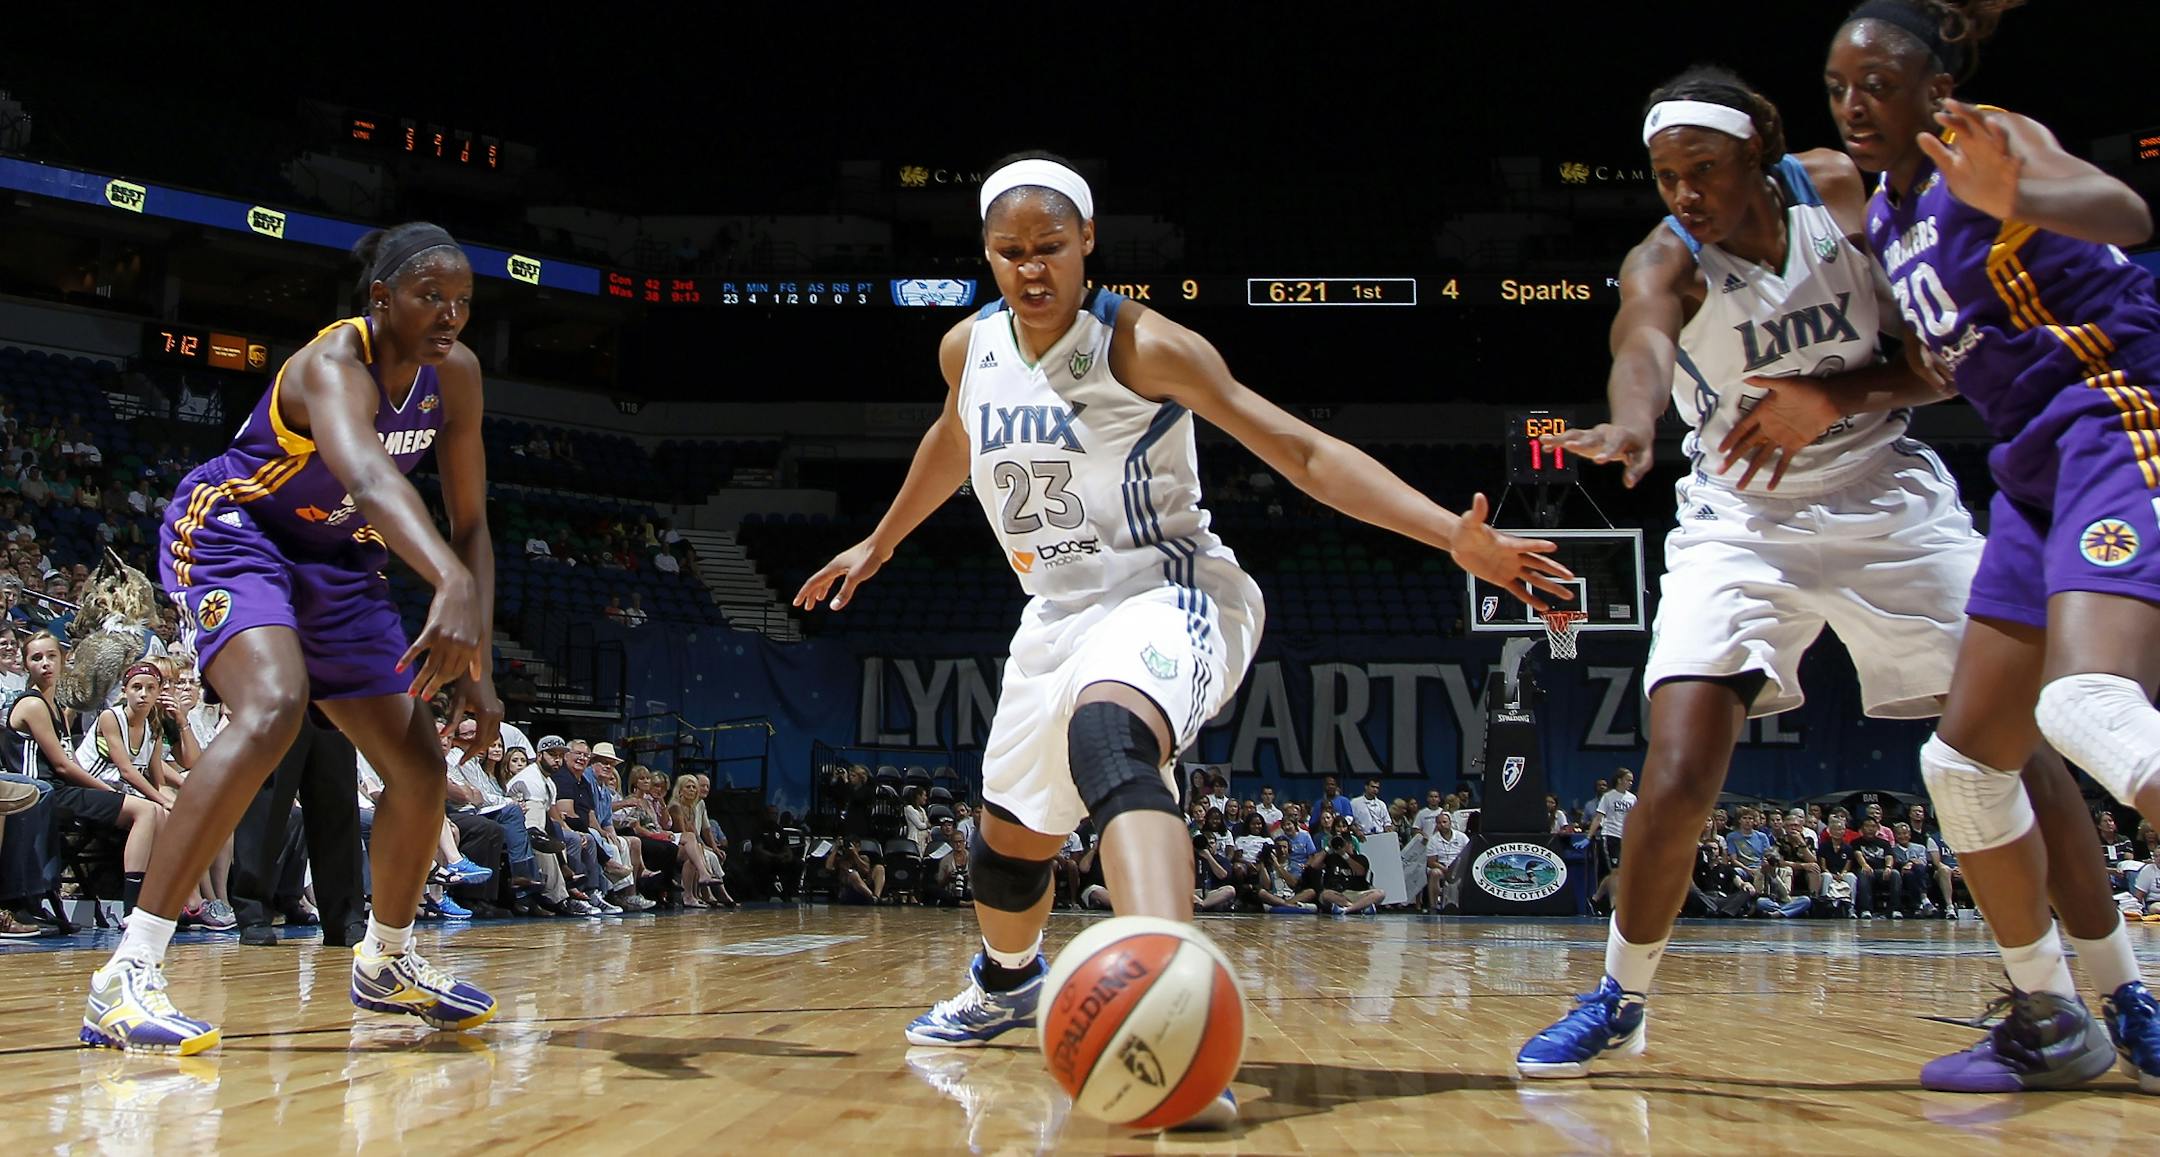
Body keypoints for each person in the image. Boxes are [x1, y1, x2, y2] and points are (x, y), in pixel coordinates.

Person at [791, 152, 1569, 1127]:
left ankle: (1172, 1004)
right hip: (1055, 613)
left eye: (1051, 248)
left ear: (1088, 245)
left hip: (1170, 588)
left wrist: (1450, 535)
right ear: (986, 254)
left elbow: (1303, 450)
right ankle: (1007, 983)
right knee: (1007, 851)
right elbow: (954, 436)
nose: (1033, 270)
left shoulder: (1146, 344)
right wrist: (881, 537)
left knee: (1112, 737)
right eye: (1010, 252)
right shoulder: (969, 347)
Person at [1515, 59, 2142, 1080]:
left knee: (2013, 747)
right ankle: (1620, 995)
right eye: (1667, 175)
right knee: (1675, 768)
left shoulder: (1845, 196)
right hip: (1738, 514)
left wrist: (1834, 396)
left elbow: (1941, 362)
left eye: (1705, 169)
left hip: (1884, 494)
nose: (1687, 194)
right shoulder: (1662, 262)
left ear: (1758, 150)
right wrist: (1631, 425)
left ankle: (2121, 989)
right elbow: (1640, 343)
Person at [1822, 0, 2160, 1092]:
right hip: (2027, 462)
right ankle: (2058, 1020)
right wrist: (1828, 399)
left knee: (2088, 706)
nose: (1855, 104)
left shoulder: (1990, 138)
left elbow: (2123, 210)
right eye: (1838, 87)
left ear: (1936, 90)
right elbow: (1940, 367)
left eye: (1878, 84)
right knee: (1964, 765)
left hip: (2113, 410)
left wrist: (2022, 194)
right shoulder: (1887, 210)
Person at [81, 222, 503, 1055]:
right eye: (430, 298)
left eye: (463, 301)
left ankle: (386, 962)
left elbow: (474, 524)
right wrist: (446, 582)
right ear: (381, 299)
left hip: (340, 558)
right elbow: (371, 478)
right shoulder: (328, 367)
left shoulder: (455, 376)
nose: (451, 316)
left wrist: (479, 663)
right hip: (238, 532)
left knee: (419, 765)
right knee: (275, 705)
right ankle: (125, 974)